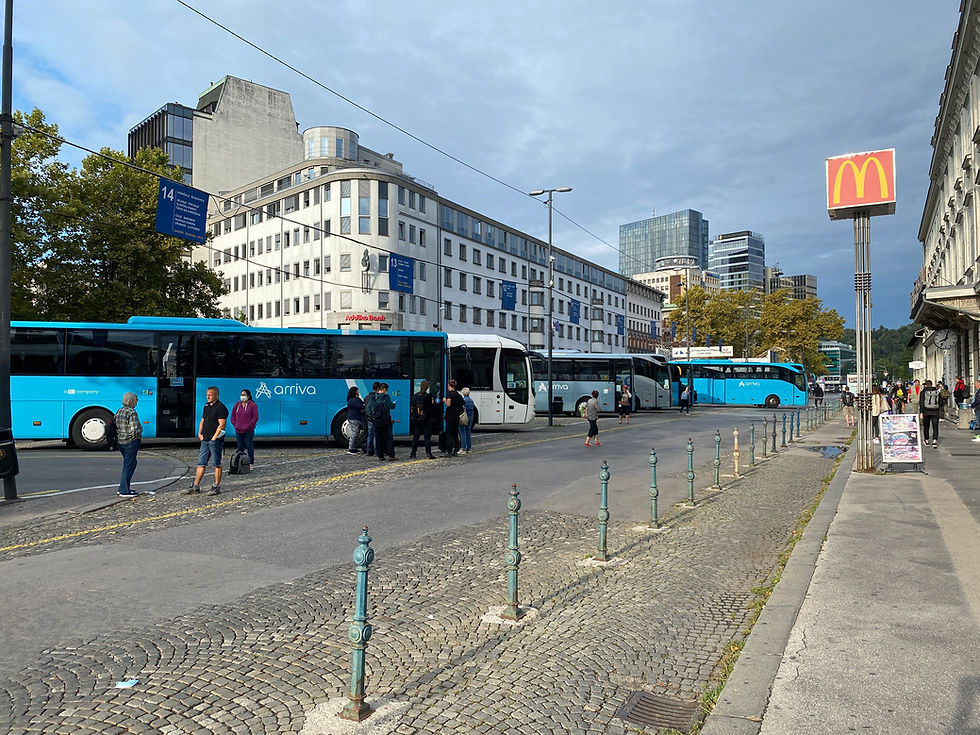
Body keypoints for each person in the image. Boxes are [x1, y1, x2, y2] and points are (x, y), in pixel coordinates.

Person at [183, 386, 228, 496]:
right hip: (205, 439)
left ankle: (216, 486)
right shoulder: (206, 406)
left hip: (215, 441)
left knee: (216, 464)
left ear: (216, 395)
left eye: (210, 394)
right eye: (207, 394)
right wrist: (200, 433)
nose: (208, 396)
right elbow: (202, 420)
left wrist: (214, 437)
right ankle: (195, 486)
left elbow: (222, 424)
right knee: (200, 464)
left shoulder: (221, 407)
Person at [115, 392, 143, 497]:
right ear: (131, 401)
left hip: (120, 441)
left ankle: (124, 487)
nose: (137, 401)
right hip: (130, 442)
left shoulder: (119, 411)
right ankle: (123, 489)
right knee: (129, 465)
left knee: (131, 463)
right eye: (136, 399)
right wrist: (136, 437)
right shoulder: (132, 412)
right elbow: (134, 428)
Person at [231, 388, 258, 469]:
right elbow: (232, 416)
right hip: (238, 429)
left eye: (244, 395)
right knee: (240, 446)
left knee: (249, 445)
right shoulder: (237, 405)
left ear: (248, 396)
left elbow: (255, 417)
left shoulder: (253, 405)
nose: (242, 396)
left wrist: (249, 425)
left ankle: (251, 463)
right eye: (241, 395)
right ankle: (240, 462)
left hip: (248, 430)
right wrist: (235, 424)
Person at [409, 381, 436, 459]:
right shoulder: (428, 397)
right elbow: (430, 409)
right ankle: (428, 453)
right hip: (425, 419)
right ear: (427, 387)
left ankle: (413, 453)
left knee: (416, 437)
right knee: (427, 437)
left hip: (416, 419)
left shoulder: (415, 396)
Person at [371, 383, 397, 460]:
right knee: (388, 437)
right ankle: (391, 454)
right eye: (386, 390)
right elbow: (391, 406)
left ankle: (380, 455)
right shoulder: (386, 397)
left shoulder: (373, 398)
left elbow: (369, 408)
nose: (387, 391)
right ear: (384, 389)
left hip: (376, 420)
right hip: (385, 419)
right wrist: (394, 404)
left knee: (378, 437)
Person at [443, 379, 464, 457]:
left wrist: (444, 400)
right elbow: (462, 403)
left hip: (450, 416)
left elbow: (448, 404)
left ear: (449, 386)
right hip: (456, 416)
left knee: (449, 434)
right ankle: (456, 449)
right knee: (455, 433)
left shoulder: (449, 394)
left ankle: (449, 450)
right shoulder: (458, 395)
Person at [919, 379, 942, 448]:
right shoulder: (936, 391)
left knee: (926, 427)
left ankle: (927, 441)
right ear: (932, 384)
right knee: (935, 427)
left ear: (925, 385)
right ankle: (934, 441)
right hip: (935, 411)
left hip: (926, 411)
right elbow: (940, 402)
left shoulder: (923, 392)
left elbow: (921, 402)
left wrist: (921, 412)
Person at [346, 386, 366, 455]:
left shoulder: (354, 399)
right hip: (354, 418)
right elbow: (361, 406)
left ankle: (354, 448)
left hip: (355, 418)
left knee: (356, 433)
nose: (358, 392)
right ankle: (351, 449)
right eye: (357, 391)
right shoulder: (353, 400)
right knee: (355, 433)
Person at [363, 381, 380, 456]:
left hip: (368, 417)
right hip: (375, 418)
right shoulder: (377, 397)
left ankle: (369, 451)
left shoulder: (367, 397)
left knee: (370, 434)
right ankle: (376, 451)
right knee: (376, 435)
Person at [460, 387, 476, 453]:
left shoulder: (463, 400)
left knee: (462, 432)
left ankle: (463, 447)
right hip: (470, 417)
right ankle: (469, 448)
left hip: (464, 418)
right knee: (468, 432)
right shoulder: (471, 400)